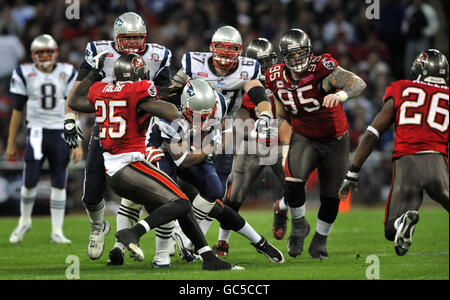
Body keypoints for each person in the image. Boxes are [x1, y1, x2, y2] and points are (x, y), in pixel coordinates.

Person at [68, 51, 243, 271]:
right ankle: (133, 232)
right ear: (139, 75)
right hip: (128, 165)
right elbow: (165, 109)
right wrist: (182, 114)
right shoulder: (137, 91)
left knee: (181, 203)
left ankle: (209, 258)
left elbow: (75, 100)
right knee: (179, 202)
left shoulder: (102, 90)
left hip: (115, 167)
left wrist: (94, 72)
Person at [63, 12, 174, 264]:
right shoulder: (99, 51)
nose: (134, 44)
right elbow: (79, 88)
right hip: (108, 127)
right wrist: (70, 116)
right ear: (116, 37)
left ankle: (165, 244)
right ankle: (98, 227)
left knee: (153, 190)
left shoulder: (158, 55)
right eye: (128, 38)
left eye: (138, 38)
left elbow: (166, 92)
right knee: (91, 192)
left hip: (140, 130)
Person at [148, 79, 284, 266]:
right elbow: (183, 160)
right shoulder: (170, 114)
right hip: (164, 150)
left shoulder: (218, 102)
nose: (202, 119)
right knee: (169, 199)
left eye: (207, 114)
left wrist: (218, 143)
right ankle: (161, 255)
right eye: (197, 115)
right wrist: (210, 147)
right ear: (185, 107)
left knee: (215, 191)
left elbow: (226, 126)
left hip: (193, 145)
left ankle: (182, 233)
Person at [265, 28, 367, 259]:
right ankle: (299, 225)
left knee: (332, 197)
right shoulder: (275, 76)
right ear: (284, 58)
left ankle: (320, 241)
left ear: (310, 53)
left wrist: (341, 95)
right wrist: (282, 139)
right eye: (293, 56)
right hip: (304, 137)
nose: (299, 60)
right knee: (293, 183)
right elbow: (281, 113)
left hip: (335, 140)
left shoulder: (323, 68)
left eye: (302, 54)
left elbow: (358, 83)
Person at [339, 49, 449, 256]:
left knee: (391, 230)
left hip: (407, 164)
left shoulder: (401, 89)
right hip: (438, 162)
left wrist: (353, 171)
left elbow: (372, 133)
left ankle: (401, 222)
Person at [213, 38, 291, 256]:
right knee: (234, 196)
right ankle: (222, 242)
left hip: (280, 144)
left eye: (268, 62)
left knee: (296, 191)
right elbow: (241, 116)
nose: (265, 67)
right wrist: (253, 129)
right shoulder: (244, 81)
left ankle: (281, 207)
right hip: (253, 146)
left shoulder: (285, 77)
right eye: (260, 62)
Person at [7, 34, 78, 244]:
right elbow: (17, 110)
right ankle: (25, 220)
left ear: (55, 53)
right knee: (29, 181)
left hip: (60, 131)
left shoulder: (68, 72)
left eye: (48, 51)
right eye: (41, 52)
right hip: (36, 131)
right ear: (33, 54)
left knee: (59, 182)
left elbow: (73, 108)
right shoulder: (24, 72)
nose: (45, 56)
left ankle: (57, 229)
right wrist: (11, 142)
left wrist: (77, 143)